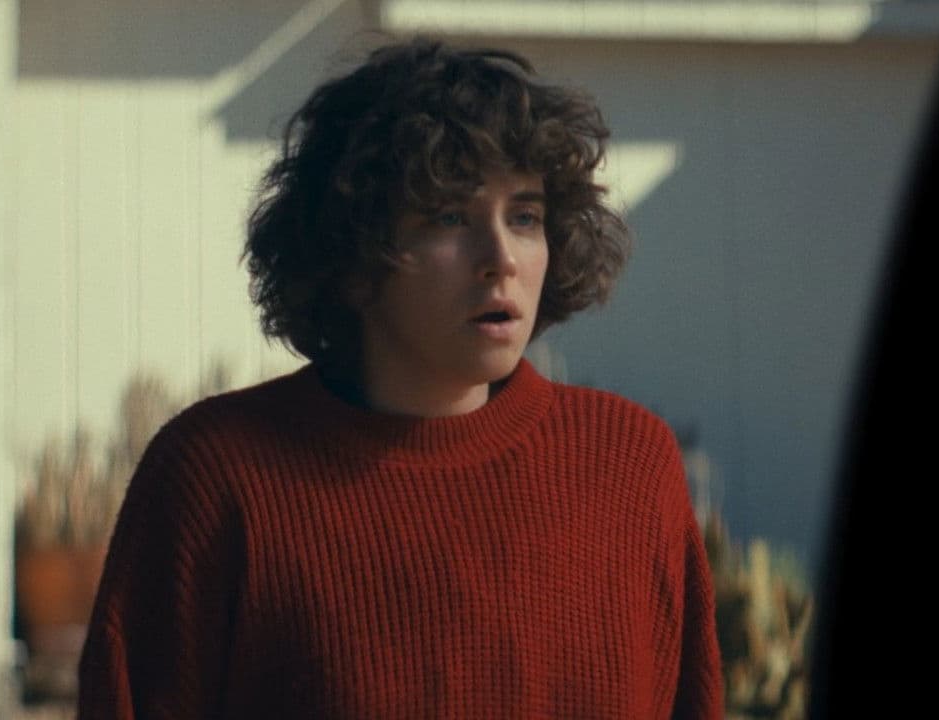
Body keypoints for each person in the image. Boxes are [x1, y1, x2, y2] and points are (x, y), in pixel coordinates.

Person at [78, 37, 722, 718]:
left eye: (525, 216)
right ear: (353, 256)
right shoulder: (216, 478)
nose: (501, 257)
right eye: (450, 216)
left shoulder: (630, 465)